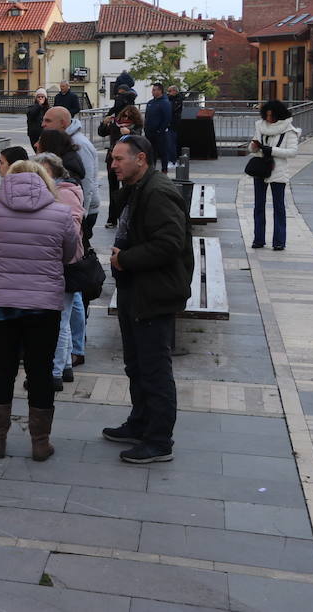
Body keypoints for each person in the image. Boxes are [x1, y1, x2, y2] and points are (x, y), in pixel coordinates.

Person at [0, 160, 80, 461]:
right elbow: (72, 254)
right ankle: (40, 442)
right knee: (40, 370)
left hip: (0, 306)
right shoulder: (60, 212)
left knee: (2, 368)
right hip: (43, 307)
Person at [105, 134, 192, 463]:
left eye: (118, 159)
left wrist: (124, 260)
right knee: (137, 365)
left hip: (154, 291)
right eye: (113, 158)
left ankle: (158, 440)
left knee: (154, 369)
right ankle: (140, 422)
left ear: (140, 159)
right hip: (135, 288)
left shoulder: (158, 192)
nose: (113, 164)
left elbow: (169, 244)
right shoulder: (138, 187)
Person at [33, 152, 87, 390]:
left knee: (59, 319)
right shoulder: (60, 191)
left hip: (63, 264)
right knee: (62, 316)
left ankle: (54, 373)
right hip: (61, 263)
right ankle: (64, 367)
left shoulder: (63, 193)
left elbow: (72, 235)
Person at [41, 106, 100, 249]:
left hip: (80, 212)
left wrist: (81, 216)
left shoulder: (79, 144)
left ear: (62, 123)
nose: (43, 124)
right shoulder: (64, 140)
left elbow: (86, 183)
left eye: (47, 121)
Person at [248, 100, 300, 252]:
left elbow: (293, 152)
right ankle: (258, 239)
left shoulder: (288, 130)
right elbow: (252, 149)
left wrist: (272, 150)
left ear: (279, 115)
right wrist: (253, 146)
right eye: (267, 115)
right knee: (258, 206)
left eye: (272, 116)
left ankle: (279, 241)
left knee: (279, 207)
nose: (269, 118)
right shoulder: (260, 126)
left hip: (278, 171)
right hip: (261, 169)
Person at [98, 104, 143, 228]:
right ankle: (112, 219)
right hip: (112, 159)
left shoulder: (136, 126)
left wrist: (130, 132)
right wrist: (104, 123)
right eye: (124, 115)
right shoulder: (115, 124)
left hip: (127, 160)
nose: (125, 118)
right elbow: (102, 133)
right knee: (113, 189)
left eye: (129, 116)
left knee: (127, 189)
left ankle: (126, 217)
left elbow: (139, 138)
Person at [144, 82, 176, 173]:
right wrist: (146, 128)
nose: (152, 92)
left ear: (160, 91)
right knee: (150, 152)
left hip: (160, 133)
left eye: (154, 90)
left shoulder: (165, 103)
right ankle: (151, 170)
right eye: (152, 90)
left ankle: (164, 170)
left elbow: (167, 118)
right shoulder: (150, 103)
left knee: (163, 152)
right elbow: (147, 117)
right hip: (149, 132)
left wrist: (160, 130)